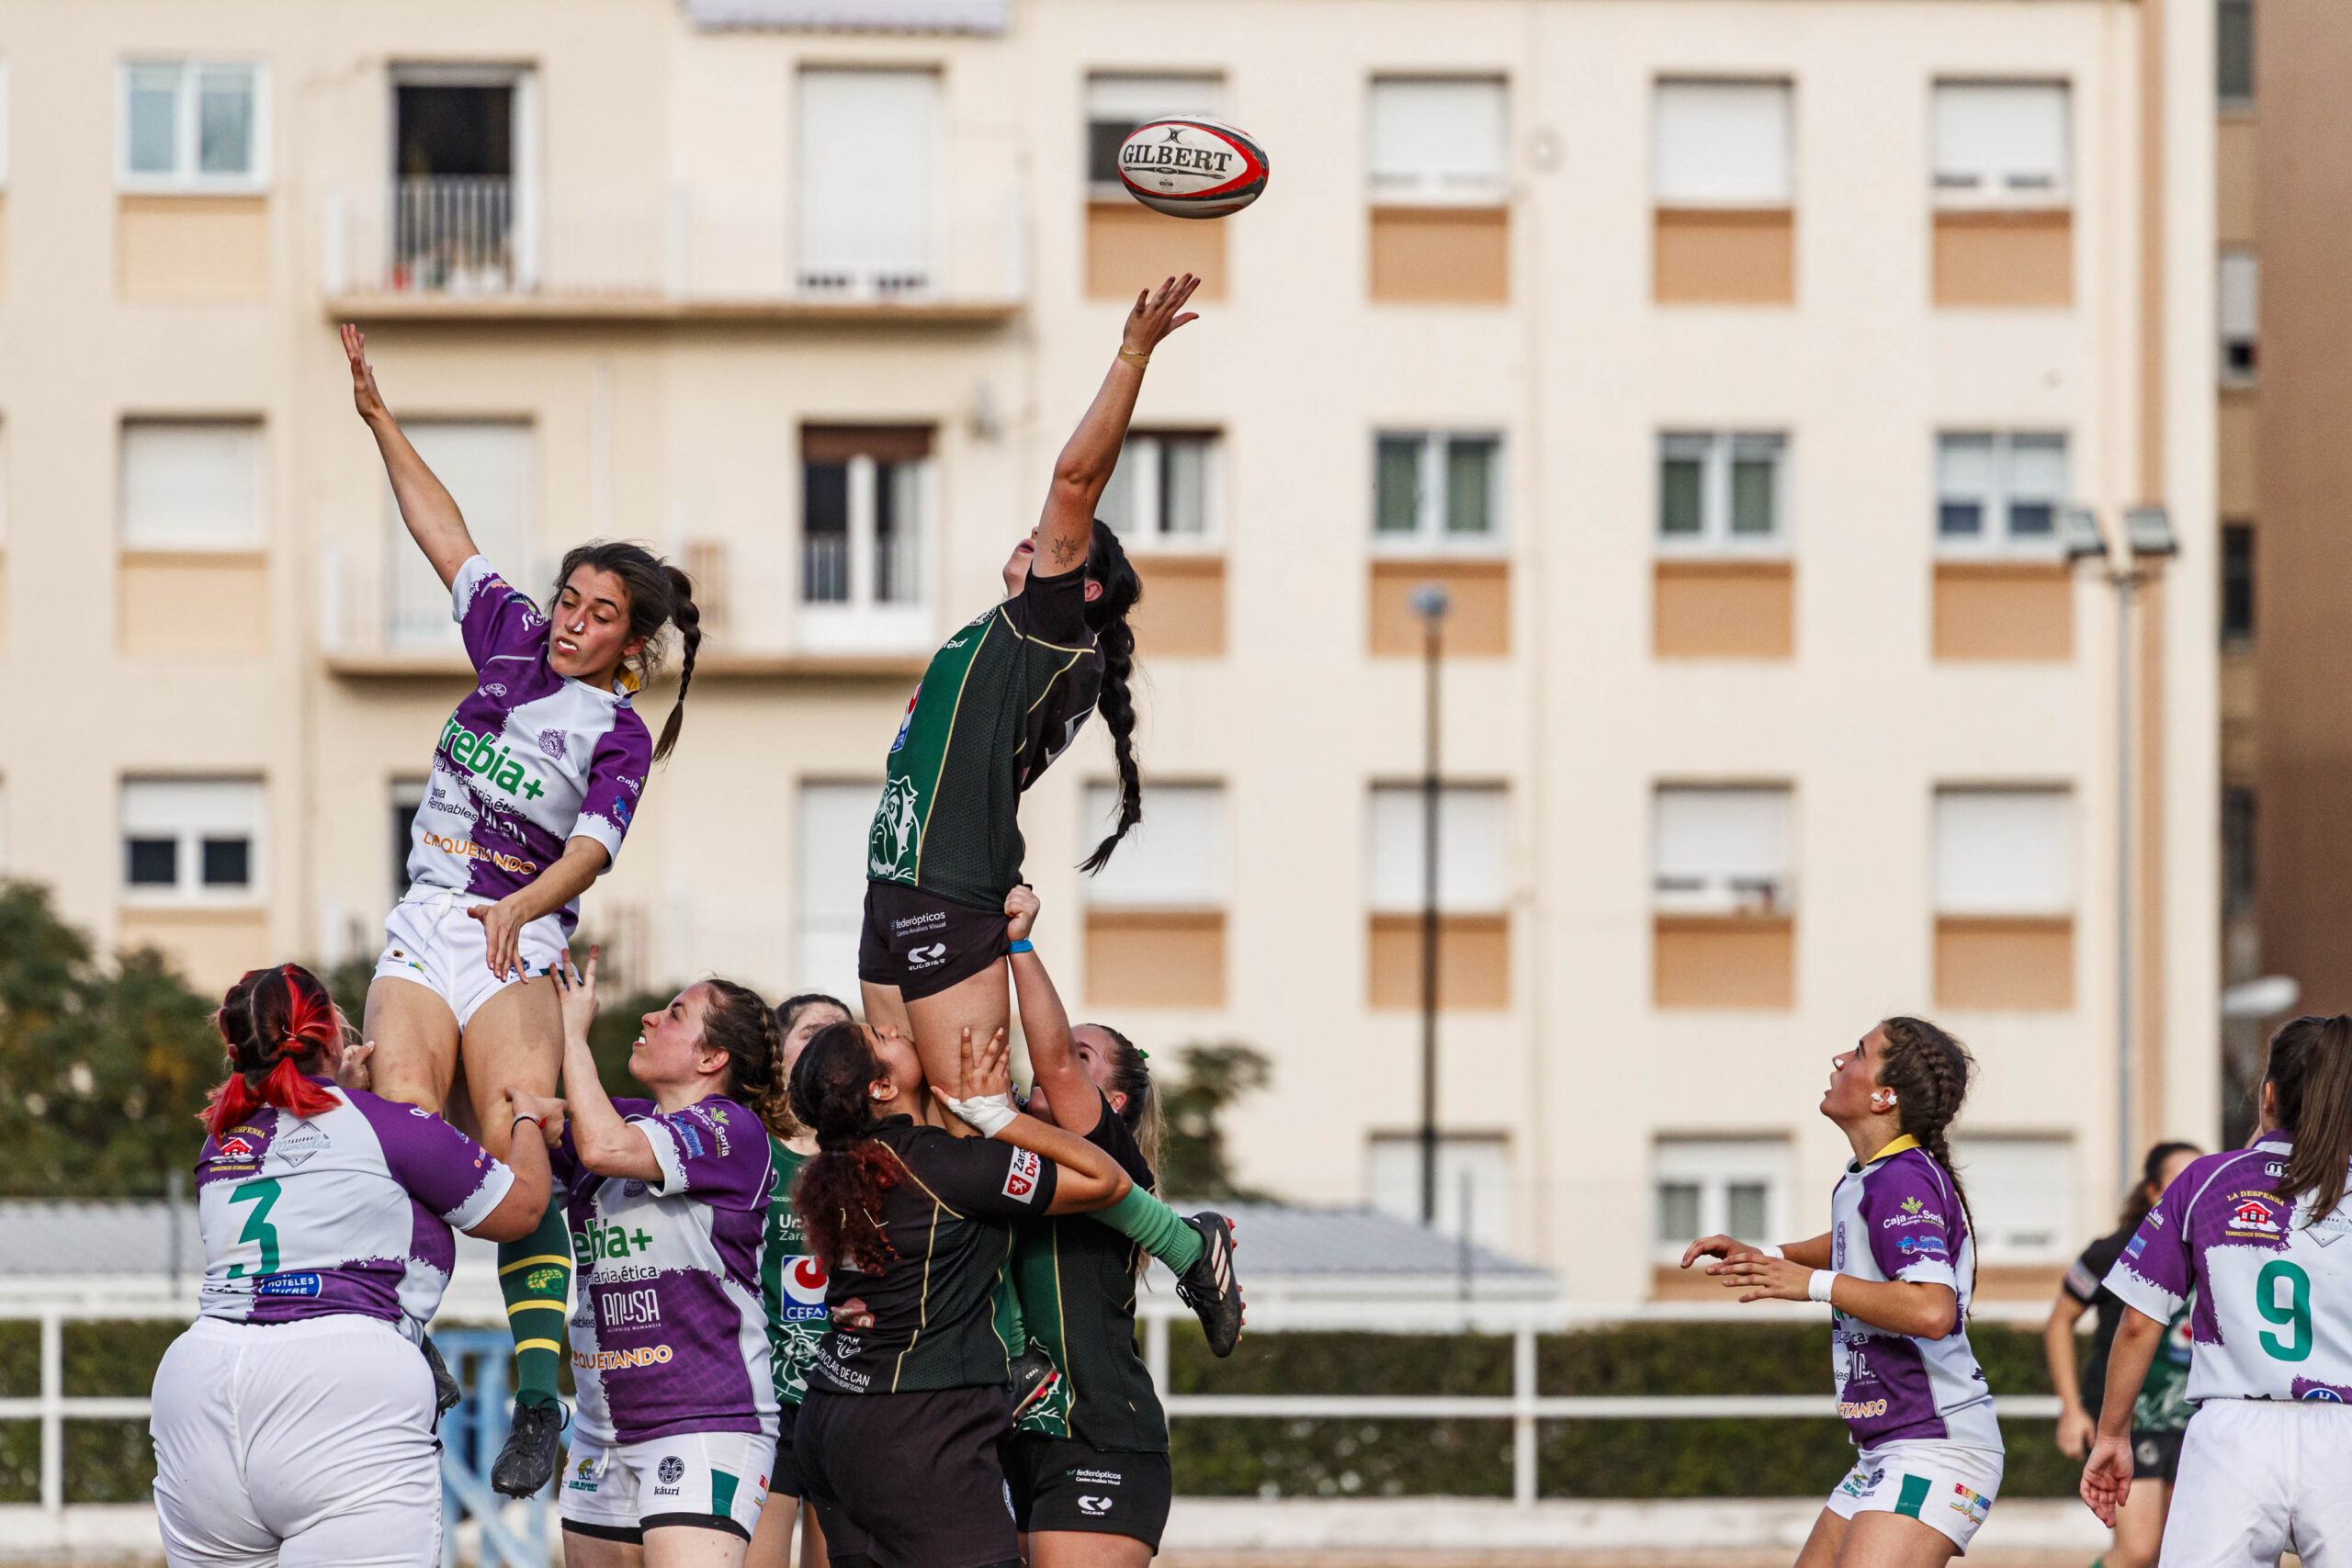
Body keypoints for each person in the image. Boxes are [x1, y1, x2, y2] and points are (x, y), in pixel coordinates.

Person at [343, 322, 707, 1493]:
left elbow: (594, 851)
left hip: (520, 939)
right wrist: (380, 420)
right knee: (401, 1113)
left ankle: (540, 1407)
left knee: (518, 1136)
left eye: (598, 613)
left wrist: (523, 906)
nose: (568, 619)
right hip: (425, 920)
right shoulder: (503, 641)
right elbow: (442, 533)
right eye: (567, 598)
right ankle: (407, 1341)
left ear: (632, 643)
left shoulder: (619, 732)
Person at [849, 280, 1241, 1356]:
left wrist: (1130, 357)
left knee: (977, 1115)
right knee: (911, 1127)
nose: (1035, 538)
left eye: (1052, 543)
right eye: (1034, 538)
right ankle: (984, 1340)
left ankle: (1172, 1235)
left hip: (946, 900)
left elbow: (1077, 474)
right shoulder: (997, 640)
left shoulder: (1046, 630)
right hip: (895, 896)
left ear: (1085, 591)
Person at [152, 964, 560, 1568]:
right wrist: (527, 1118)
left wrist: (338, 1086)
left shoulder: (223, 1137)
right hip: (342, 1380)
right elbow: (523, 1206)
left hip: (199, 1383)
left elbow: (305, 1132)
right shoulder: (387, 1125)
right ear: (333, 1039)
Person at [788, 1019, 1133, 1568]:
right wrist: (1001, 1119)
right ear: (881, 1088)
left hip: (830, 1415)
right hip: (916, 1425)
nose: (892, 1027)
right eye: (879, 1038)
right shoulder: (937, 1164)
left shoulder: (837, 1166)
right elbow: (1107, 1182)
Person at [1684, 1018, 2002, 1568]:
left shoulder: (1901, 1178)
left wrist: (1809, 1285)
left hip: (1937, 1447)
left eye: (1858, 1052)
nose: (1839, 1059)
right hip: (1886, 1450)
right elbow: (1851, 1241)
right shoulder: (1873, 1175)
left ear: (1884, 1097)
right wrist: (1772, 1257)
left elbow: (1931, 1309)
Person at [2084, 1014, 2352, 1565]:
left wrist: (2112, 1434)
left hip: (2233, 1437)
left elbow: (2138, 1323)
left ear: (2268, 1094)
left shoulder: (2205, 1180)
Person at [548, 950, 781, 1567]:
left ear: (712, 1058)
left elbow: (600, 1146)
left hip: (706, 1420)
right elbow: (503, 1126)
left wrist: (573, 1033)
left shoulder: (730, 1128)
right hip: (603, 1429)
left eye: (675, 1013)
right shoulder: (623, 1116)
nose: (650, 1016)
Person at [998, 887, 1175, 1566]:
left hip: (1100, 1438)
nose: (1054, 1060)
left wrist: (1018, 942)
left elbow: (1052, 1066)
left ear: (1116, 1101)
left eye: (1081, 1057)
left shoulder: (1114, 1159)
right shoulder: (995, 1157)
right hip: (1005, 1442)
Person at [2042, 1141, 2201, 1568]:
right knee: (2138, 1549)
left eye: (2197, 1177)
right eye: (2179, 1179)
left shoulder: (2213, 1248)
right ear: (2152, 1191)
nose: (2191, 1187)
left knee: (2178, 1553)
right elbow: (2058, 1322)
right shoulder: (2112, 1250)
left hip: (2193, 1419)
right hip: (2131, 1419)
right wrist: (2071, 1410)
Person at [746, 993, 855, 1568]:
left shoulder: (874, 1156)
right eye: (812, 1032)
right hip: (766, 1397)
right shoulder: (746, 1149)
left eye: (842, 1034)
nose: (829, 1044)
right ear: (778, 1056)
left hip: (850, 1394)